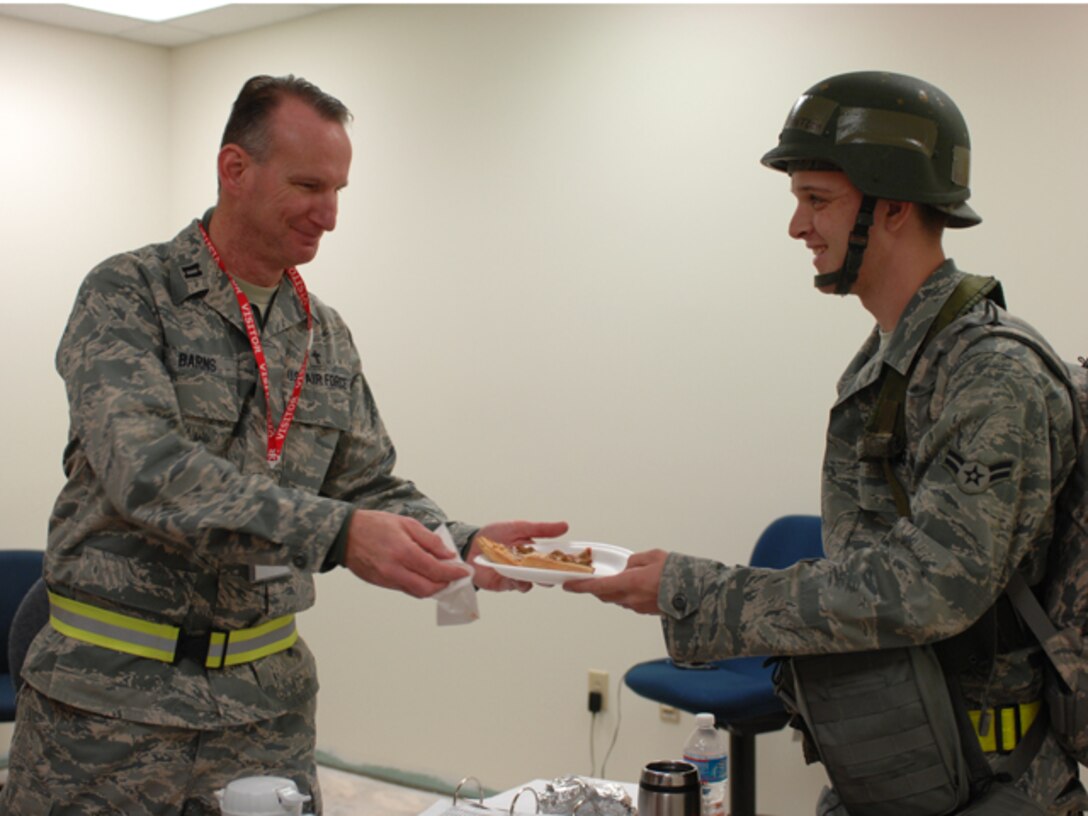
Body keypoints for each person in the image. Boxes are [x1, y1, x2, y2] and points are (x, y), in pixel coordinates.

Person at [0, 74, 566, 815]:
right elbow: (146, 469)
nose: (328, 215)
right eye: (308, 185)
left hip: (264, 714)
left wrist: (461, 542)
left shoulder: (321, 331)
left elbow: (365, 485)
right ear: (235, 169)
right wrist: (338, 533)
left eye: (339, 190)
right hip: (108, 716)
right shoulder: (129, 294)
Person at [567, 71, 1088, 814]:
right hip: (898, 769)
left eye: (818, 201)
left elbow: (929, 586)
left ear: (896, 205)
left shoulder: (990, 372)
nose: (798, 227)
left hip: (988, 783)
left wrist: (693, 591)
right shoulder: (892, 362)